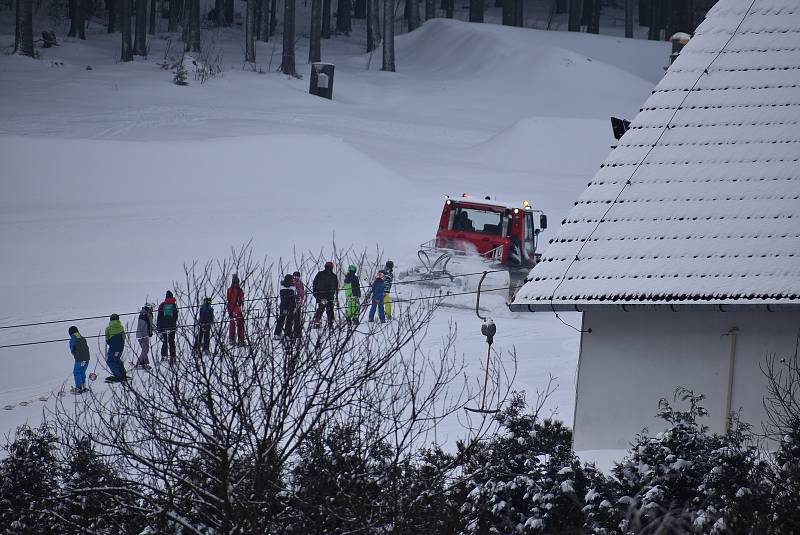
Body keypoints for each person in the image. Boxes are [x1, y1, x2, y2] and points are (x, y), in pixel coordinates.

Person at [312, 261, 339, 328]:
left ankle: (317, 322)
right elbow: (336, 287)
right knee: (330, 310)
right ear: (332, 267)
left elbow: (314, 283)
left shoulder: (320, 274)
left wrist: (315, 294)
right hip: (329, 296)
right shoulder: (334, 276)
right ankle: (330, 323)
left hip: (320, 295)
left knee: (320, 309)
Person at [157, 290, 178, 363]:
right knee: (172, 341)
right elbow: (176, 316)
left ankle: (164, 356)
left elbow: (159, 316)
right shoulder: (174, 305)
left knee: (165, 341)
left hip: (163, 326)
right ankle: (173, 356)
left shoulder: (162, 305)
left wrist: (158, 327)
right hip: (172, 326)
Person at [105, 314, 127, 382]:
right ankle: (123, 374)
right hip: (120, 347)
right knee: (117, 359)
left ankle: (118, 376)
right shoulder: (121, 327)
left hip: (113, 348)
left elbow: (107, 339)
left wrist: (111, 344)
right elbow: (124, 337)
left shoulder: (108, 328)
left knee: (110, 361)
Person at [68, 325, 90, 393]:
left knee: (77, 372)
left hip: (79, 359)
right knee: (82, 372)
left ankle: (79, 387)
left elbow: (72, 349)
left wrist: (75, 353)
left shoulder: (73, 339)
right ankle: (83, 386)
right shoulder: (83, 338)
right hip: (87, 358)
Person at [275, 274, 297, 339]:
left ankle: (277, 334)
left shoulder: (282, 288)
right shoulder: (292, 289)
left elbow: (283, 300)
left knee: (281, 320)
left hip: (282, 306)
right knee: (289, 321)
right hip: (290, 307)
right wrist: (294, 307)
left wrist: (284, 307)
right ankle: (287, 335)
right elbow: (292, 300)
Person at [227, 274, 246, 346]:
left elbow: (229, 300)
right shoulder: (238, 290)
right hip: (236, 309)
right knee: (239, 324)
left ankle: (232, 339)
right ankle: (240, 340)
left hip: (232, 309)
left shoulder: (230, 290)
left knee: (233, 323)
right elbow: (240, 300)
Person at [135, 303, 154, 369]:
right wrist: (150, 332)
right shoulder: (148, 314)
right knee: (145, 350)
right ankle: (139, 363)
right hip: (144, 334)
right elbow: (150, 324)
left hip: (139, 334)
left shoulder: (142, 313)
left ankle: (144, 362)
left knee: (144, 349)